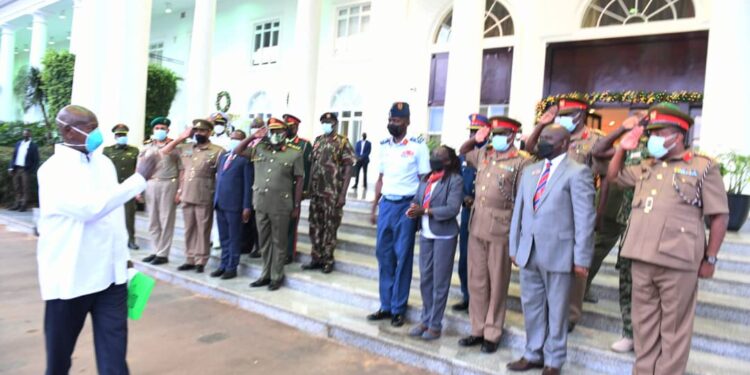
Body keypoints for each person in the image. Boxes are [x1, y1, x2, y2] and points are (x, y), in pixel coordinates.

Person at [607, 104, 729, 374]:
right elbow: (613, 177)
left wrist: (710, 258)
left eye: (659, 133)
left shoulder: (702, 167)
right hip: (641, 257)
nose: (653, 139)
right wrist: (622, 148)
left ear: (679, 135)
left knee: (674, 328)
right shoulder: (647, 166)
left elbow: (719, 216)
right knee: (644, 324)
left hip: (678, 261)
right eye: (652, 133)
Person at [37, 105, 158, 375]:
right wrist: (139, 178)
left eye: (96, 126)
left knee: (114, 357)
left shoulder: (103, 163)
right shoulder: (52, 171)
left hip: (110, 279)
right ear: (67, 130)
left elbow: (113, 216)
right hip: (71, 279)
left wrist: (124, 262)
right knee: (58, 361)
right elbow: (89, 209)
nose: (97, 134)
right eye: (90, 128)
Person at [507, 124, 595, 375]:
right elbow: (520, 212)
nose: (542, 142)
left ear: (565, 144)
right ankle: (533, 353)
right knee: (531, 305)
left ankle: (554, 360)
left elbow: (585, 218)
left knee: (557, 310)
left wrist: (581, 258)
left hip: (560, 253)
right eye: (542, 137)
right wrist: (514, 246)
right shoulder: (531, 171)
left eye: (549, 139)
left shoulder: (578, 173)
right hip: (529, 251)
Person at [525, 98, 606, 331]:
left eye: (566, 113)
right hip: (552, 207)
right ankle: (551, 310)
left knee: (575, 264)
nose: (561, 117)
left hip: (577, 208)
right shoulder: (552, 135)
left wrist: (599, 211)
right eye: (560, 114)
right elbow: (530, 148)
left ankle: (570, 315)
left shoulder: (594, 139)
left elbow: (605, 177)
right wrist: (542, 124)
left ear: (580, 114)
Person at [457, 116, 532, 354]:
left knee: (497, 283)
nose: (495, 137)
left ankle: (492, 332)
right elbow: (462, 151)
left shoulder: (522, 162)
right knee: (477, 281)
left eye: (500, 133)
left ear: (511, 136)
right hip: (477, 225)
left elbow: (523, 201)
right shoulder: (484, 154)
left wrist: (519, 238)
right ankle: (476, 329)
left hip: (502, 229)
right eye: (493, 133)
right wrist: (475, 138)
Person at [590, 111, 650, 353]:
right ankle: (629, 332)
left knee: (648, 285)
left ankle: (648, 337)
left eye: (644, 121)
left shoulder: (660, 151)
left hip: (654, 227)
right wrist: (623, 133)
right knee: (626, 281)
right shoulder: (629, 147)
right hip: (629, 224)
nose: (640, 125)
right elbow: (598, 152)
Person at [367, 102, 430, 327]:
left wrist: (417, 206)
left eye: (397, 120)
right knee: (383, 255)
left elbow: (425, 180)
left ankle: (398, 308)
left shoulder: (418, 146)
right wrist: (375, 207)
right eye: (391, 120)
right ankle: (385, 305)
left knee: (403, 257)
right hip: (387, 205)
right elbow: (381, 178)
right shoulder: (384, 146)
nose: (393, 124)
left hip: (406, 206)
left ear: (407, 122)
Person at [236, 117, 304, 291]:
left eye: (279, 131)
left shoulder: (295, 153)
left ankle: (276, 275)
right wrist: (252, 137)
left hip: (281, 204)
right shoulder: (259, 149)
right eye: (272, 131)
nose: (275, 135)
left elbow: (299, 179)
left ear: (285, 133)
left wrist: (296, 205)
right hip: (260, 202)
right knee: (264, 242)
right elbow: (237, 151)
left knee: (279, 242)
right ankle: (265, 274)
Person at [406, 145, 463, 340]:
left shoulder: (454, 180)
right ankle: (425, 319)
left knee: (440, 281)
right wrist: (413, 207)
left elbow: (453, 208)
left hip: (444, 235)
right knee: (426, 279)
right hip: (426, 233)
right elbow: (417, 198)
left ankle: (435, 324)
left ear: (448, 160)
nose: (434, 157)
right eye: (433, 155)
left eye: (439, 156)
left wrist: (426, 211)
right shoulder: (426, 179)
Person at [161, 119, 226, 273]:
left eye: (202, 131)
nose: (198, 134)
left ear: (209, 132)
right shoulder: (186, 147)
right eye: (196, 131)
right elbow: (164, 151)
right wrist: (182, 137)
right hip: (187, 194)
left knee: (203, 229)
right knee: (189, 228)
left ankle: (201, 260)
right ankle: (190, 258)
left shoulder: (217, 151)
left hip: (205, 194)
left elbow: (221, 175)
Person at [301, 112, 356, 273]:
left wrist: (343, 194)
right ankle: (316, 257)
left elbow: (348, 168)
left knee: (330, 227)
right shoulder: (318, 141)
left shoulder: (342, 142)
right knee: (315, 225)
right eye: (324, 121)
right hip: (316, 192)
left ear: (335, 123)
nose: (326, 123)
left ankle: (328, 260)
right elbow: (312, 165)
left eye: (329, 121)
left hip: (332, 193)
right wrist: (308, 187)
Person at [453, 114, 490, 313]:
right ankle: (467, 296)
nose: (473, 134)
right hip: (468, 213)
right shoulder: (463, 156)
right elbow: (456, 182)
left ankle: (482, 299)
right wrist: (462, 198)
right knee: (465, 257)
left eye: (478, 131)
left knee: (483, 260)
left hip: (487, 214)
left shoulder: (492, 154)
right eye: (471, 131)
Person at [211, 130, 254, 280]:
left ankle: (232, 266)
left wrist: (246, 206)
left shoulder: (245, 160)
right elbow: (219, 179)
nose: (233, 141)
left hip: (235, 205)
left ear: (243, 141)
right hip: (220, 203)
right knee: (224, 238)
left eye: (237, 139)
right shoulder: (223, 157)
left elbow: (248, 184)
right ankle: (223, 264)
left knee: (234, 237)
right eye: (232, 138)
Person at [140, 117, 183, 266]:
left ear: (167, 130)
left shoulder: (175, 147)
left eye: (162, 128)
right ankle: (155, 250)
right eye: (157, 128)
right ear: (153, 130)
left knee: (166, 219)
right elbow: (140, 166)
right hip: (151, 183)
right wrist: (139, 188)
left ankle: (163, 253)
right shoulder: (147, 146)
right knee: (153, 220)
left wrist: (180, 190)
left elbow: (182, 169)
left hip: (168, 183)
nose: (159, 131)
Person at [103, 124, 141, 250]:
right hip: (113, 187)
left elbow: (138, 168)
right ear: (115, 136)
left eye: (124, 135)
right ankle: (113, 239)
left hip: (129, 187)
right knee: (112, 215)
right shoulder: (107, 151)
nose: (122, 137)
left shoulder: (134, 151)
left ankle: (131, 240)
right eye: (119, 135)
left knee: (129, 215)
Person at [284, 113, 312, 264]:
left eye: (291, 127)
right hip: (280, 188)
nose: (288, 129)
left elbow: (307, 168)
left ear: (296, 127)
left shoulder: (304, 145)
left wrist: (305, 190)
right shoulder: (279, 143)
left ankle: (289, 252)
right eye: (286, 126)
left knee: (291, 223)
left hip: (295, 189)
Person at [8, 129, 39, 212]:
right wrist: (10, 167)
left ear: (30, 135)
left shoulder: (33, 146)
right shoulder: (18, 143)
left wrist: (32, 170)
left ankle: (24, 205)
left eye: (27, 134)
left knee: (25, 188)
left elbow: (36, 160)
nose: (25, 135)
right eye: (24, 134)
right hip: (16, 168)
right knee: (17, 187)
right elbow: (13, 156)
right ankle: (17, 204)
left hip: (26, 170)